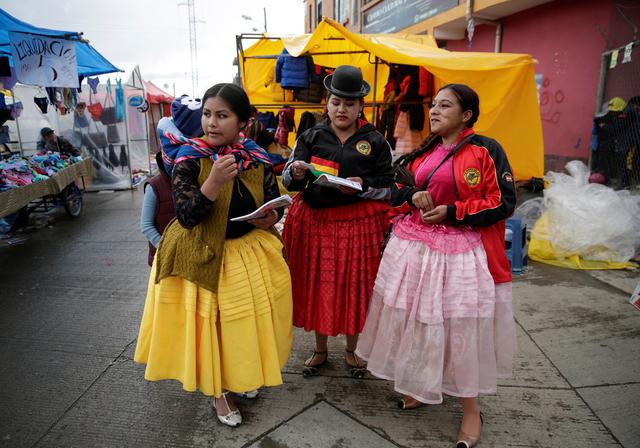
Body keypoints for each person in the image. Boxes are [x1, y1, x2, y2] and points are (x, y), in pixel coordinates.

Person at [356, 84, 517, 448]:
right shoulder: (425, 149)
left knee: (460, 329)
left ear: (467, 115)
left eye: (445, 106)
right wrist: (412, 195)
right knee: (417, 321)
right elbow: (399, 187)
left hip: (462, 254)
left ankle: (471, 411)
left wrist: (454, 211)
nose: (434, 111)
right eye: (434, 105)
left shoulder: (486, 150)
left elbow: (504, 201)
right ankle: (420, 386)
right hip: (416, 248)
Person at [134, 83, 293, 428]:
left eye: (222, 115)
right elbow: (188, 215)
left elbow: (271, 197)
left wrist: (272, 216)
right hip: (204, 255)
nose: (211, 123)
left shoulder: (257, 157)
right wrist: (214, 182)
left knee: (245, 324)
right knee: (214, 330)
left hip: (248, 251)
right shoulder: (187, 158)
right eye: (207, 114)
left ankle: (240, 375)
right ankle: (219, 393)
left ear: (243, 122)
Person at [282, 65, 393, 378]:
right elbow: (288, 176)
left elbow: (389, 186)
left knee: (354, 285)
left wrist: (362, 184)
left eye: (349, 103)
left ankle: (352, 349)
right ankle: (320, 350)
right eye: (335, 102)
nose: (341, 108)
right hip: (316, 223)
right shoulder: (310, 136)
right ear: (326, 104)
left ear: (360, 106)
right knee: (319, 283)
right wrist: (297, 173)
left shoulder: (375, 141)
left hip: (357, 225)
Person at [140, 151, 175, 267]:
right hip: (163, 257)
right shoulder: (154, 186)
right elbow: (146, 225)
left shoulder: (192, 181)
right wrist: (165, 248)